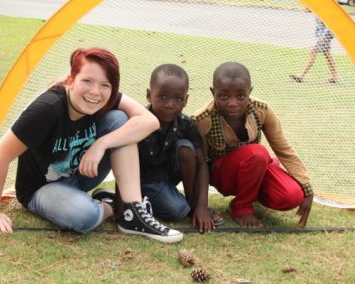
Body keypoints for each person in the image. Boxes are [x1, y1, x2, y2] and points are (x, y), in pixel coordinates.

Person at [0, 47, 183, 243]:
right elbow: (0, 156)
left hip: (82, 174)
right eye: (87, 81)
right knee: (85, 216)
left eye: (105, 85)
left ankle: (132, 212)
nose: (95, 92)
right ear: (71, 80)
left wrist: (101, 144)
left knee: (119, 120)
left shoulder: (104, 98)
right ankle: (109, 206)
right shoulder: (47, 109)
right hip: (42, 188)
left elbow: (150, 121)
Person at [192, 62, 313, 228]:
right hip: (223, 177)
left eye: (241, 96)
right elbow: (201, 164)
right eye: (224, 96)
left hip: (255, 168)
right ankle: (241, 207)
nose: (233, 103)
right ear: (213, 92)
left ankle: (249, 195)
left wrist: (307, 188)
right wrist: (201, 207)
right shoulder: (201, 119)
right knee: (257, 153)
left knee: (291, 196)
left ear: (250, 92)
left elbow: (283, 149)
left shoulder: (262, 110)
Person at [138, 64, 222, 233]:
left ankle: (192, 205)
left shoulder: (186, 124)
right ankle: (136, 201)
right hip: (146, 180)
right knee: (176, 210)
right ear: (149, 95)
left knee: (185, 148)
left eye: (178, 98)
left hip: (169, 177)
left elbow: (201, 163)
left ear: (186, 100)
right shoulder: (138, 121)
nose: (170, 104)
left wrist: (201, 206)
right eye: (162, 96)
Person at [290, 11, 338, 84]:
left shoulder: (324, 8)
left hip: (325, 35)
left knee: (313, 52)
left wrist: (323, 37)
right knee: (327, 55)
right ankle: (335, 76)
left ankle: (301, 76)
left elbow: (330, 23)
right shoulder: (317, 8)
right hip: (322, 35)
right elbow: (307, 10)